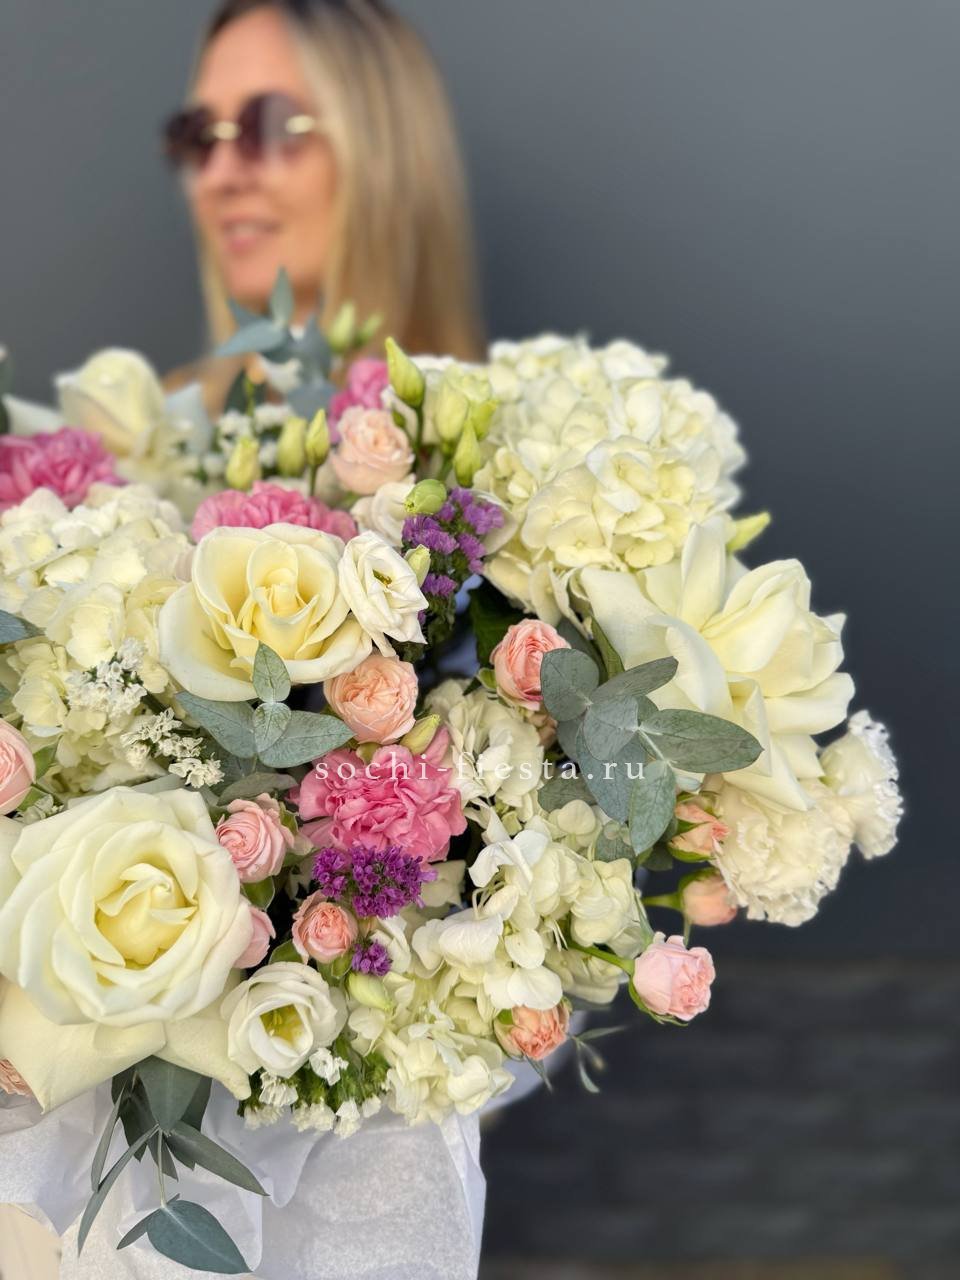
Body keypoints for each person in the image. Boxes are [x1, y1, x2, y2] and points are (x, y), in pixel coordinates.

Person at [163, 0, 484, 409]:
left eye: (270, 125)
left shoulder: (498, 437)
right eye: (200, 136)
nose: (216, 177)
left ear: (377, 151)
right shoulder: (155, 429)